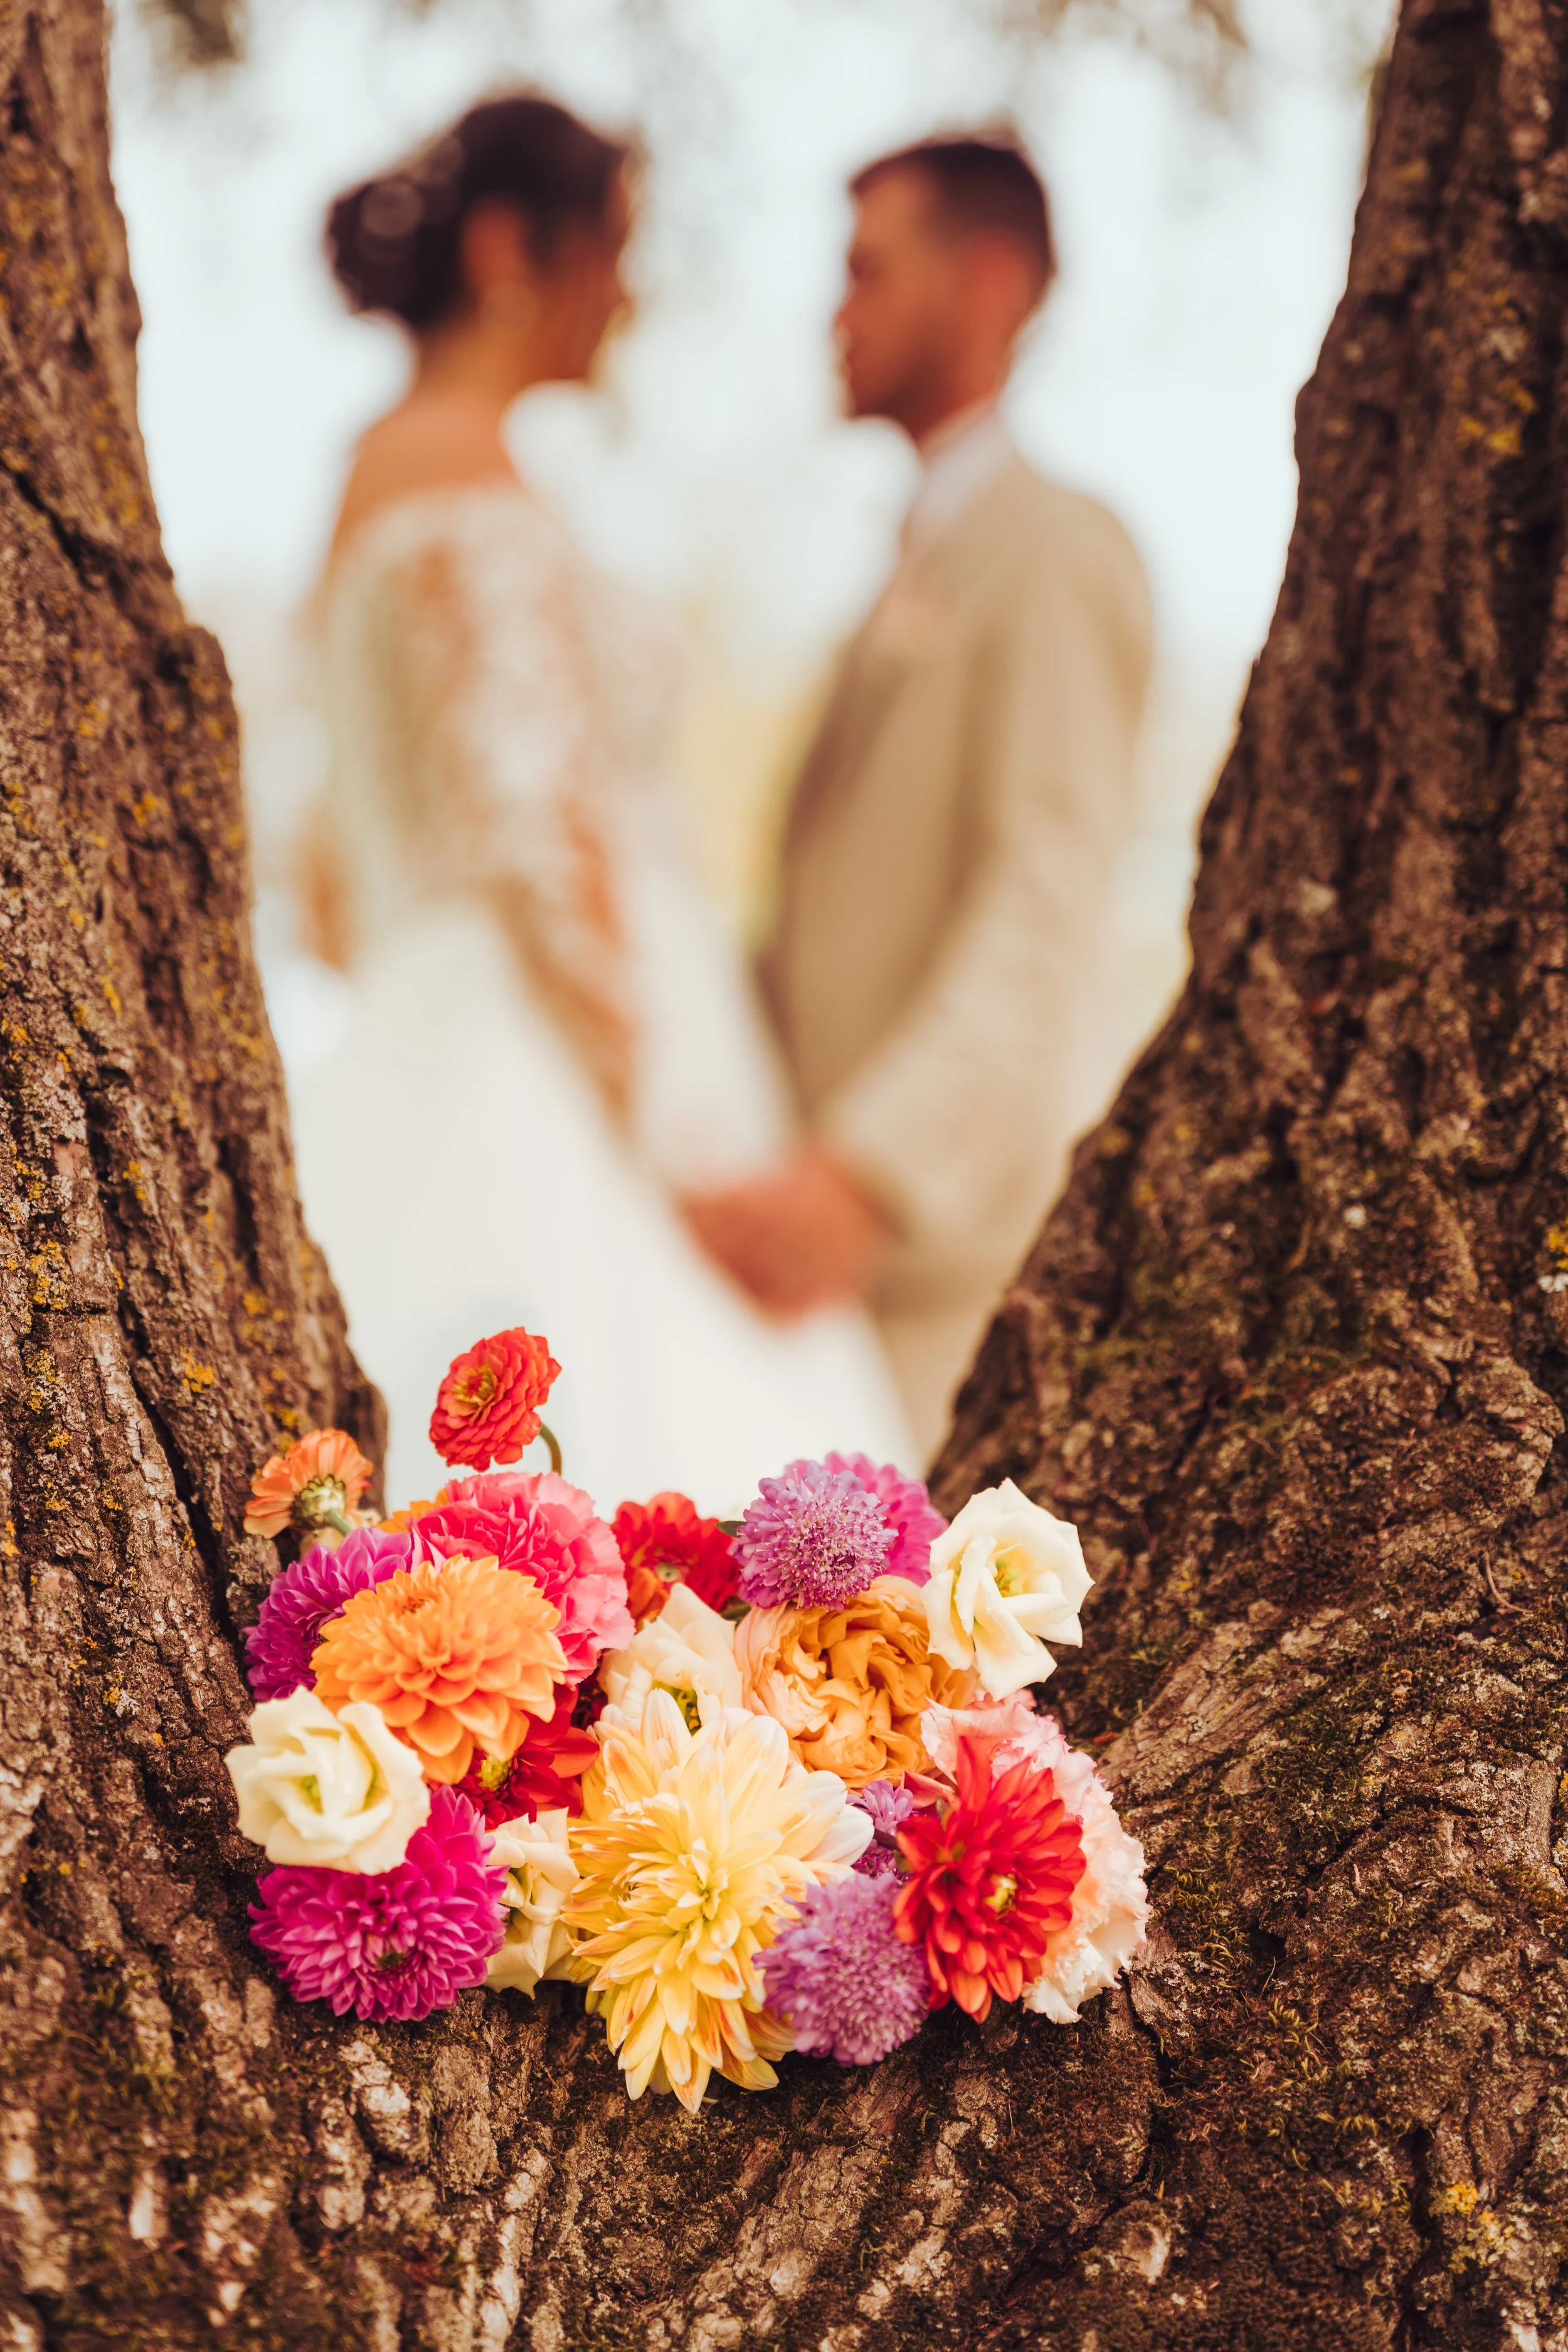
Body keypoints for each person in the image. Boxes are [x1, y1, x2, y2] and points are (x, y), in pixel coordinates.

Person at [292, 94, 911, 1512]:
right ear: (514, 247)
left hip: (425, 1016)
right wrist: (675, 1138)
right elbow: (538, 838)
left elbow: (323, 874)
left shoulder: (372, 476)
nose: (626, 296)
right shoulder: (461, 479)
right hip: (550, 1053)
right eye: (615, 250)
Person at [686, 134, 1153, 1459]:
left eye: (866, 272)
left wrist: (869, 1176)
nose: (835, 314)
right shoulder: (897, 566)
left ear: (989, 281)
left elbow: (1041, 904)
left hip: (935, 1271)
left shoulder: (1056, 551)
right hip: (810, 1257)